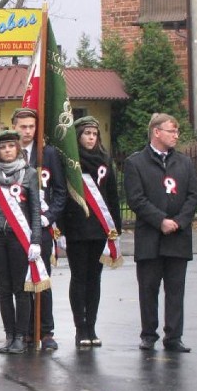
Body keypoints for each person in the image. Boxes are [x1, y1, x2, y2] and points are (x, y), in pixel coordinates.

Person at [124, 113, 197, 353]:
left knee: (176, 289)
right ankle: (149, 334)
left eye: (177, 131)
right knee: (148, 289)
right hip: (150, 238)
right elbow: (136, 199)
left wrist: (179, 221)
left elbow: (193, 195)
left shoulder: (184, 162)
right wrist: (161, 221)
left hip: (178, 236)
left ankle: (174, 336)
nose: (176, 135)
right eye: (171, 131)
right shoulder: (136, 163)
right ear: (157, 132)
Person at [0, 130, 42, 354]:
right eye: (2, 147)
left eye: (10, 146)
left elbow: (34, 209)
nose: (7, 150)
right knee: (3, 289)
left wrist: (36, 240)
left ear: (17, 148)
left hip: (19, 238)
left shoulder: (29, 174)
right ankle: (9, 335)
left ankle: (22, 336)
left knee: (21, 289)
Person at [60, 115, 122, 347]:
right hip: (76, 229)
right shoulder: (70, 163)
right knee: (79, 278)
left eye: (94, 134)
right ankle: (80, 327)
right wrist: (62, 230)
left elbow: (112, 196)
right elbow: (64, 196)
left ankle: (92, 326)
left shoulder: (104, 160)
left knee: (94, 279)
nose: (91, 138)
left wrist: (115, 228)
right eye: (87, 134)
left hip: (99, 229)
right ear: (78, 136)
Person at [12, 107, 66, 351]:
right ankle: (25, 331)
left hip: (41, 227)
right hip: (17, 227)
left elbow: (60, 191)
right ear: (14, 127)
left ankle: (45, 331)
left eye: (32, 127)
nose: (27, 131)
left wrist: (49, 216)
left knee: (42, 279)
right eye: (23, 126)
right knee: (22, 282)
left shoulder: (49, 154)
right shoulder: (8, 153)